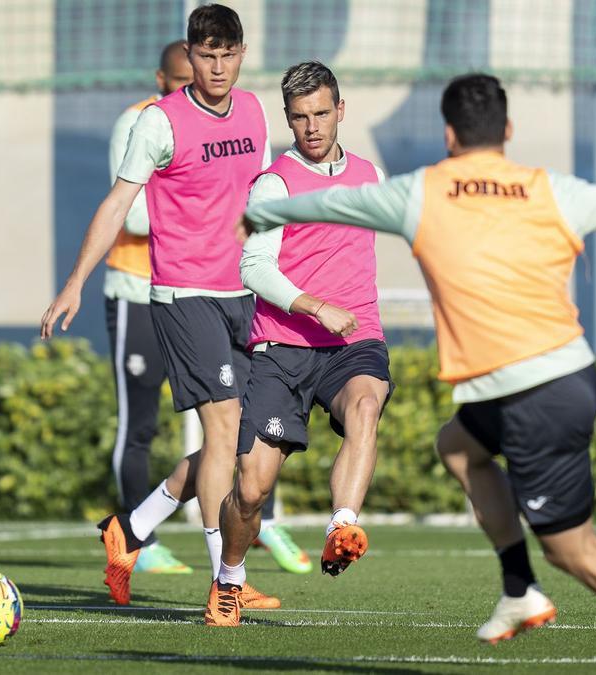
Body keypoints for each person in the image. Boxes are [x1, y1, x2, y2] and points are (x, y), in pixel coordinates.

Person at [237, 73, 596, 670]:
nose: (312, 126)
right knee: (456, 446)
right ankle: (517, 588)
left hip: (535, 392)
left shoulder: (421, 192)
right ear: (508, 130)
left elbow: (329, 203)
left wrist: (265, 211)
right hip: (568, 374)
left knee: (574, 550)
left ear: (449, 134)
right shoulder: (551, 188)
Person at [41, 4, 281, 608]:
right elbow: (118, 203)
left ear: (242, 54)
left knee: (242, 441)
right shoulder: (159, 121)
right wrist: (74, 281)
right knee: (224, 428)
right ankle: (226, 583)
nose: (217, 65)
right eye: (206, 54)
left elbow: (261, 199)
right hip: (183, 294)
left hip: (243, 293)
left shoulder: (254, 110)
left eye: (228, 54)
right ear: (190, 55)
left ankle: (131, 528)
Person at [207, 61, 392, 626]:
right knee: (252, 487)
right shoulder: (275, 184)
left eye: (321, 113)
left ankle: (342, 525)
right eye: (299, 117)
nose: (311, 126)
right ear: (289, 120)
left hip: (353, 341)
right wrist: (315, 305)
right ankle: (231, 578)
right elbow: (255, 268)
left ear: (341, 110)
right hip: (283, 348)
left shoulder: (370, 176)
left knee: (365, 406)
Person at [103, 39, 194, 575]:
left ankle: (251, 526)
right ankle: (140, 537)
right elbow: (131, 218)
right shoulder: (136, 123)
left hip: (194, 294)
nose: (191, 89)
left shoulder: (214, 123)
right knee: (139, 426)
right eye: (180, 80)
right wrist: (197, 208)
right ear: (160, 80)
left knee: (229, 419)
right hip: (137, 292)